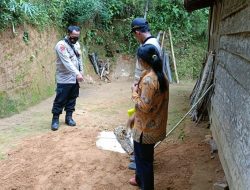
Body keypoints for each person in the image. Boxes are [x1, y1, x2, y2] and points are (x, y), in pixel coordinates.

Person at [129, 44, 169, 190]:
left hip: (145, 128)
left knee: (144, 161)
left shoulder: (149, 80)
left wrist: (134, 92)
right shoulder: (161, 75)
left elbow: (144, 106)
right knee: (143, 158)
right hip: (154, 124)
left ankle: (146, 186)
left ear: (142, 60)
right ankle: (140, 180)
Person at [127, 17, 163, 171]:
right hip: (145, 87)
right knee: (140, 119)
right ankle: (142, 157)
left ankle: (140, 160)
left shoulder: (149, 46)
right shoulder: (151, 43)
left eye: (135, 33)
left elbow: (146, 72)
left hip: (146, 89)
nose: (135, 37)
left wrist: (136, 91)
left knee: (142, 121)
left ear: (137, 31)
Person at [51, 25, 84, 131]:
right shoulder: (61, 46)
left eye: (77, 36)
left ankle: (69, 117)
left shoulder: (77, 45)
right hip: (64, 79)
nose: (75, 38)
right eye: (73, 36)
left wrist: (81, 72)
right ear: (68, 34)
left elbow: (79, 60)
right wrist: (77, 74)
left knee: (72, 99)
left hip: (74, 79)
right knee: (60, 99)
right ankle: (55, 119)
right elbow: (67, 63)